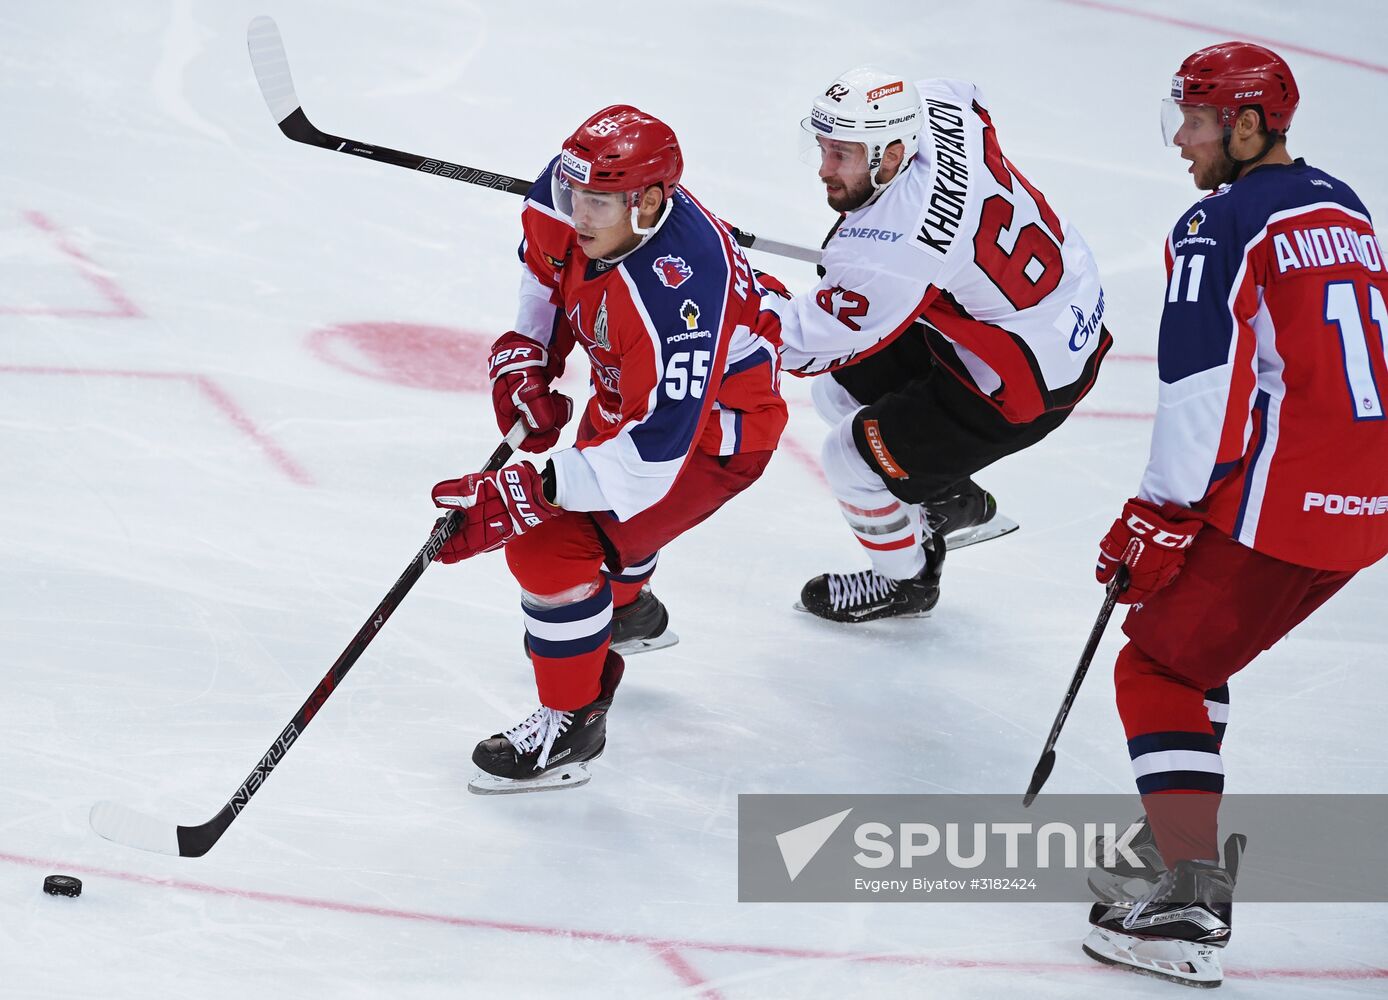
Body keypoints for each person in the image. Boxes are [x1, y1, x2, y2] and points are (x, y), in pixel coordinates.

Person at [1083, 42, 1388, 987]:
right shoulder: (1345, 203)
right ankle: (1178, 835)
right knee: (1199, 650)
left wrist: (1161, 510)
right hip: (1371, 499)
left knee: (1157, 665)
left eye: (1200, 119)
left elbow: (1197, 381)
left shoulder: (1218, 226)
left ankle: (1187, 900)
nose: (1183, 140)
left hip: (1287, 498)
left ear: (1250, 125)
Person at [430, 106, 787, 794]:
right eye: (574, 195)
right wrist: (530, 357)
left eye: (597, 202)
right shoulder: (572, 193)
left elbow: (647, 463)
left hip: (712, 436)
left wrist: (526, 493)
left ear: (649, 202)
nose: (579, 214)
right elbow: (545, 268)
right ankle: (626, 608)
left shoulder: (676, 301)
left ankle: (573, 724)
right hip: (633, 396)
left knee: (548, 546)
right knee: (590, 498)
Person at [763, 67, 1110, 622]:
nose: (825, 170)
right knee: (839, 391)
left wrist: (724, 303)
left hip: (1027, 378)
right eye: (824, 148)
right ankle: (945, 495)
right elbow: (964, 88)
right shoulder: (934, 104)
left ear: (894, 153)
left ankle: (908, 581)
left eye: (842, 156)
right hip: (1057, 296)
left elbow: (801, 345)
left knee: (849, 457)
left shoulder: (897, 247)